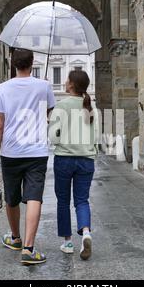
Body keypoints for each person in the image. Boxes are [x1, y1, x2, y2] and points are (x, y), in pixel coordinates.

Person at [0, 48, 56, 266]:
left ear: (12, 63)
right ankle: (29, 248)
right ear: (32, 62)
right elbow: (47, 113)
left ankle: (15, 238)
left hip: (11, 152)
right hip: (36, 151)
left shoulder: (2, 88)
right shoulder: (44, 86)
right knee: (34, 196)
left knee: (12, 197)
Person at [48, 70, 100, 261]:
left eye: (67, 79)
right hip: (86, 160)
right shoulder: (91, 108)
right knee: (82, 200)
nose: (64, 81)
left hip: (64, 159)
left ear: (71, 85)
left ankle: (68, 242)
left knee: (63, 201)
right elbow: (97, 137)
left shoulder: (61, 106)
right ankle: (86, 232)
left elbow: (53, 137)